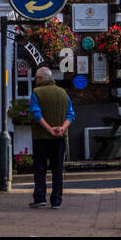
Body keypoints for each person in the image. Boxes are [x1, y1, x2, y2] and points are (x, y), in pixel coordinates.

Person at [28, 67, 75, 209]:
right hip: (59, 138)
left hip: (41, 137)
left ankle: (40, 197)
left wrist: (49, 129)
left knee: (40, 168)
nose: (35, 81)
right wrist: (62, 128)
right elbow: (71, 114)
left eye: (37, 78)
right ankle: (56, 201)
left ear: (42, 79)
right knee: (57, 170)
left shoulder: (36, 93)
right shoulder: (63, 93)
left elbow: (36, 113)